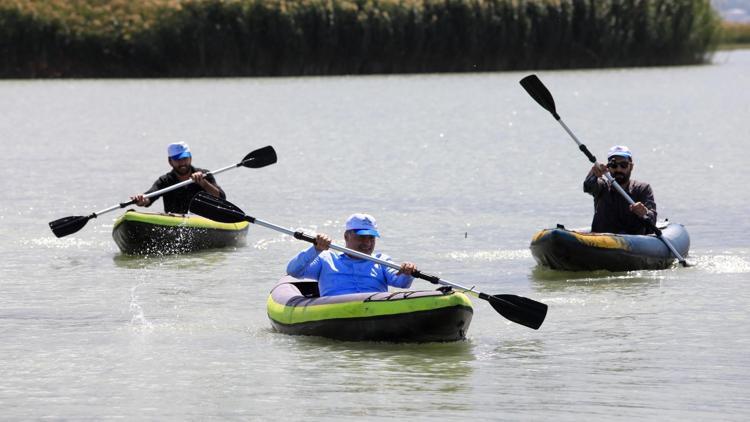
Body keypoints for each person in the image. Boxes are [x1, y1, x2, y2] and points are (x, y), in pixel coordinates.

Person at [286, 213, 417, 296]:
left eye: (371, 238)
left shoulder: (381, 260)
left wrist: (407, 272)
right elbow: (293, 271)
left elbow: (402, 283)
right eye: (361, 237)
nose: (367, 243)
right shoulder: (326, 258)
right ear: (346, 236)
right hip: (335, 311)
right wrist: (316, 248)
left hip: (374, 310)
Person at [131, 142, 225, 214]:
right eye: (177, 159)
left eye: (185, 158)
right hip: (175, 223)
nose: (182, 163)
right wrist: (141, 200)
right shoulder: (164, 181)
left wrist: (203, 183)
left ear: (190, 158)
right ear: (170, 161)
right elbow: (148, 198)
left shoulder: (204, 174)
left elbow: (221, 197)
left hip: (202, 221)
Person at [583, 145, 657, 235]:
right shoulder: (602, 186)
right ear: (608, 167)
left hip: (633, 242)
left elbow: (652, 221)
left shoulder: (643, 189)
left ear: (631, 167)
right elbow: (588, 186)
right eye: (614, 165)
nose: (618, 169)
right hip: (602, 241)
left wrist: (644, 212)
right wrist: (593, 173)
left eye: (624, 165)